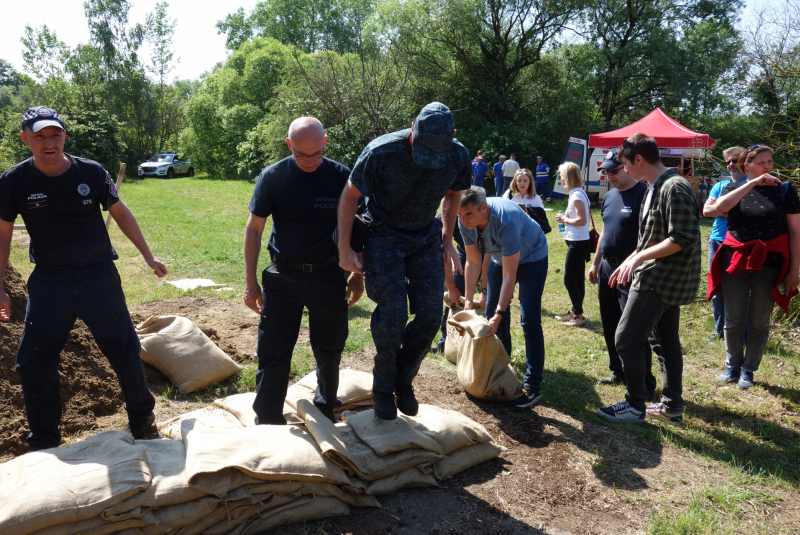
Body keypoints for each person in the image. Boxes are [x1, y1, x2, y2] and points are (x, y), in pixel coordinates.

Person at [0, 106, 167, 451]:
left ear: (64, 135)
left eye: (55, 134)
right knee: (32, 362)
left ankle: (143, 421)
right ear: (25, 138)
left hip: (98, 278)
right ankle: (44, 441)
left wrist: (147, 255)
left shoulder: (90, 171)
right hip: (49, 282)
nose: (49, 143)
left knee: (124, 351)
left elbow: (120, 211)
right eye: (40, 136)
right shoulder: (13, 181)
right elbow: (2, 236)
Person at [338, 102, 471, 420]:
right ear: (413, 128)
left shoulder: (457, 155)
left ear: (452, 136)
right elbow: (350, 194)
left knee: (429, 316)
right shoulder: (381, 151)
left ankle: (403, 379)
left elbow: (453, 193)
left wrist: (447, 236)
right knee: (394, 315)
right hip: (383, 234)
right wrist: (345, 247)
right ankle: (383, 387)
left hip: (426, 235)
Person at [244, 117, 363, 424]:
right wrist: (250, 282)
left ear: (325, 143)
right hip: (283, 275)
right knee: (274, 350)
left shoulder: (342, 177)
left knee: (329, 347)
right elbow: (255, 229)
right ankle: (268, 417)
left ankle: (325, 408)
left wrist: (358, 274)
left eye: (316, 153)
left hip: (329, 276)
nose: (310, 161)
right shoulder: (273, 177)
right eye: (301, 154)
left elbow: (359, 228)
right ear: (289, 145)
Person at [597, 133, 701, 425]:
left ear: (639, 159)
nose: (625, 170)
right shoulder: (654, 186)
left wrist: (639, 258)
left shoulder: (675, 187)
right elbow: (651, 237)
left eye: (626, 164)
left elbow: (683, 238)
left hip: (661, 279)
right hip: (656, 275)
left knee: (626, 340)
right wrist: (633, 258)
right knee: (664, 343)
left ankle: (634, 404)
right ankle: (671, 407)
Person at [708, 144, 800, 389]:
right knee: (733, 318)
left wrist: (794, 270)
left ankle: (748, 370)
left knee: (759, 320)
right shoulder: (734, 187)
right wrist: (751, 183)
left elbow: (794, 232)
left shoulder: (785, 190)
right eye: (761, 162)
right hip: (734, 261)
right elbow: (718, 209)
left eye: (770, 161)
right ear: (745, 165)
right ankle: (732, 366)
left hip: (770, 263)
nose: (767, 166)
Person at [456, 186, 549, 407]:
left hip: (533, 256)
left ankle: (533, 385)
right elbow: (473, 260)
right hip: (500, 259)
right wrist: (468, 300)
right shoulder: (464, 220)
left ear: (484, 208)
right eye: (460, 215)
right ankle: (501, 369)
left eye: (469, 214)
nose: (464, 219)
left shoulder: (505, 221)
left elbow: (510, 276)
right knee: (491, 316)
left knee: (529, 319)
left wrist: (499, 311)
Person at [587, 149, 656, 397]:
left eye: (614, 170)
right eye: (606, 171)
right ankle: (618, 370)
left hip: (631, 269)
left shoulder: (645, 195)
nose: (609, 176)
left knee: (634, 329)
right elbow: (605, 230)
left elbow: (649, 238)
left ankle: (645, 382)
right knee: (610, 322)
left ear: (626, 167)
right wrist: (596, 263)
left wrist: (632, 263)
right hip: (607, 266)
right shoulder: (610, 196)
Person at [703, 146, 748, 341]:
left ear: (745, 162)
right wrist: (733, 210)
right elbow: (706, 211)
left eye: (735, 160)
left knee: (742, 290)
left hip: (741, 243)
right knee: (717, 287)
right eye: (728, 161)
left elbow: (750, 212)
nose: (731, 164)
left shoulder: (751, 185)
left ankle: (743, 333)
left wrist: (720, 208)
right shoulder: (719, 186)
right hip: (717, 241)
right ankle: (719, 330)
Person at [554, 162, 591, 327]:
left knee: (570, 280)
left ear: (568, 176)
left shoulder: (576, 195)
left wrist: (564, 219)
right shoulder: (578, 193)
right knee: (577, 280)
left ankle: (579, 316)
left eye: (561, 174)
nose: (560, 177)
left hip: (578, 243)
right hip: (579, 242)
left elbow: (582, 219)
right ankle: (575, 312)